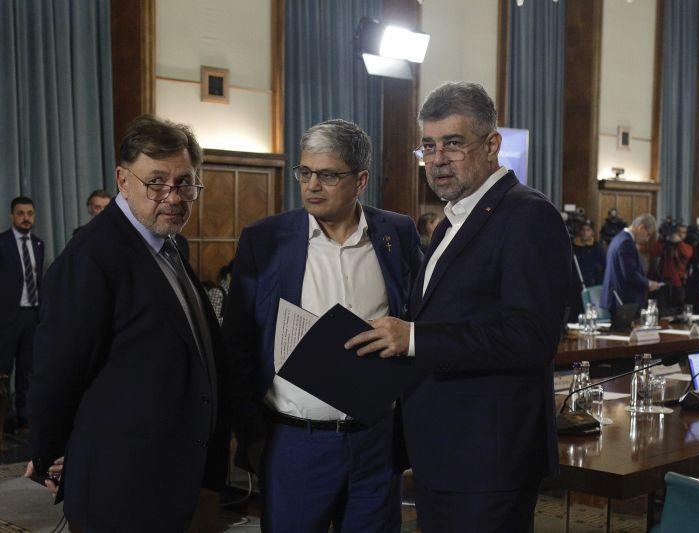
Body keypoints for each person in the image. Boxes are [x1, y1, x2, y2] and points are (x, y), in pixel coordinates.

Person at [345, 82, 570, 532]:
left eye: (453, 143)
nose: (438, 159)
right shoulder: (452, 220)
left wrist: (414, 338)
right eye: (428, 146)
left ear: (492, 145)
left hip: (489, 460)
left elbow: (531, 338)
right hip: (444, 452)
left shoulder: (527, 215)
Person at [26, 115, 229, 532]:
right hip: (120, 488)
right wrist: (49, 453)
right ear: (123, 180)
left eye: (185, 182)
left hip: (174, 478)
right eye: (156, 182)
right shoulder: (91, 257)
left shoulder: (170, 243)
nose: (173, 196)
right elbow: (56, 374)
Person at [223, 119, 421, 533]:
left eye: (328, 175)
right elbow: (238, 342)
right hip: (296, 443)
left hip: (375, 442)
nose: (312, 185)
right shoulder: (265, 239)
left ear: (360, 180)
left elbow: (417, 316)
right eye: (305, 172)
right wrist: (250, 432)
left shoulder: (397, 233)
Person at [0, 196, 44, 434]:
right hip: (7, 318)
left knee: (28, 369)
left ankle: (24, 418)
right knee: (4, 371)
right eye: (21, 213)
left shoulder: (38, 244)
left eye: (30, 213)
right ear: (12, 216)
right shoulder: (2, 243)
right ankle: (5, 421)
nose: (26, 218)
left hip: (32, 316)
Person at [601, 214, 660, 312]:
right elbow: (629, 274)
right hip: (622, 301)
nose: (647, 239)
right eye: (648, 234)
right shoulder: (626, 243)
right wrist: (649, 284)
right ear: (641, 228)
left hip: (617, 298)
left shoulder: (619, 238)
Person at [651, 222, 693, 311]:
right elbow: (655, 253)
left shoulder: (687, 246)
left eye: (683, 232)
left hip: (678, 284)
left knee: (680, 311)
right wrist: (662, 238)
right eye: (678, 232)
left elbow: (686, 254)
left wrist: (678, 242)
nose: (681, 235)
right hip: (663, 283)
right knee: (662, 311)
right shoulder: (664, 244)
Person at [573, 220, 606, 287]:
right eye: (583, 230)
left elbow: (605, 267)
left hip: (592, 286)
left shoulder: (598, 248)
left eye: (588, 230)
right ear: (580, 231)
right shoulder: (573, 248)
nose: (585, 232)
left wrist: (599, 283)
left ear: (592, 232)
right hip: (575, 286)